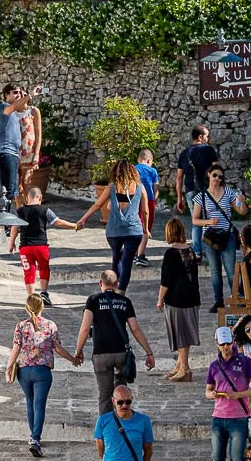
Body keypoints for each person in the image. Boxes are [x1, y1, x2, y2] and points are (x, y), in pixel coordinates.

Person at [72, 269, 157, 413]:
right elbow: (135, 329)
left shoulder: (93, 300)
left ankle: (105, 431)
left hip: (101, 354)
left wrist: (78, 351)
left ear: (101, 283)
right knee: (120, 392)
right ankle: (121, 422)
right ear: (117, 284)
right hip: (121, 353)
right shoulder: (125, 302)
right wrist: (149, 352)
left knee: (105, 395)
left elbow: (85, 329)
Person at [8, 292, 69, 458]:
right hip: (42, 371)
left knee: (30, 402)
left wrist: (8, 368)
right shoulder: (50, 325)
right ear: (42, 306)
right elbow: (58, 348)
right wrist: (73, 359)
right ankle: (35, 438)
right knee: (39, 405)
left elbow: (15, 349)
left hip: (24, 370)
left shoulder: (21, 326)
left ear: (27, 308)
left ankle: (32, 436)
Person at [206, 325, 251, 461]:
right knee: (217, 460)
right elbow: (208, 390)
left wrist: (240, 394)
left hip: (238, 417)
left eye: (228, 343)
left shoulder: (244, 362)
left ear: (233, 342)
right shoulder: (214, 366)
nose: (226, 347)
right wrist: (212, 395)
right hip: (218, 417)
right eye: (222, 344)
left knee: (237, 459)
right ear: (217, 344)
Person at [77, 159, 149, 290]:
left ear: (116, 172)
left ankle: (112, 289)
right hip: (133, 231)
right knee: (127, 263)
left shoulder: (112, 187)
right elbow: (145, 211)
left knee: (116, 257)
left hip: (114, 231)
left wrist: (83, 219)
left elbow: (98, 204)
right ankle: (121, 292)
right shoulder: (140, 187)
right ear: (133, 172)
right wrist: (146, 228)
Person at [191, 167, 245, 312]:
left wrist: (241, 202)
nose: (217, 179)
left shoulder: (228, 193)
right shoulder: (201, 196)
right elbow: (195, 220)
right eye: (215, 175)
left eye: (220, 177)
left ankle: (236, 298)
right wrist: (208, 222)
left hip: (227, 236)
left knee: (231, 270)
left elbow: (241, 211)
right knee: (215, 271)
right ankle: (218, 301)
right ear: (209, 175)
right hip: (210, 237)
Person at [155, 219, 202, 380]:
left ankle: (185, 368)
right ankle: (180, 365)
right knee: (185, 332)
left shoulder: (170, 254)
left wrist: (160, 299)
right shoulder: (190, 250)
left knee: (180, 333)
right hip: (192, 296)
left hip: (176, 299)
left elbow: (166, 281)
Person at [0, 85, 37, 249]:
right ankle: (3, 224)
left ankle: (4, 223)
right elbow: (15, 107)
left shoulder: (14, 112)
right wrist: (30, 95)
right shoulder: (3, 108)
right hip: (5, 152)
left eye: (20, 92)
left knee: (10, 188)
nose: (18, 95)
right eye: (15, 92)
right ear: (6, 95)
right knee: (9, 189)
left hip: (11, 154)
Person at [13, 185, 59, 298]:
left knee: (29, 272)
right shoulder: (45, 210)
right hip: (41, 246)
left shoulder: (20, 211)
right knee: (44, 268)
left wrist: (11, 243)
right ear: (40, 197)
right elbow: (58, 222)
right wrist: (75, 225)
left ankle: (31, 297)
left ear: (27, 198)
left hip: (25, 247)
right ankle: (44, 294)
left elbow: (15, 228)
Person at [175, 125, 221, 216]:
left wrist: (179, 199)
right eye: (207, 136)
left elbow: (179, 178)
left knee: (197, 223)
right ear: (200, 137)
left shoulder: (184, 154)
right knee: (210, 223)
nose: (208, 139)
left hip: (190, 191)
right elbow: (217, 171)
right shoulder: (209, 149)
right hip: (208, 190)